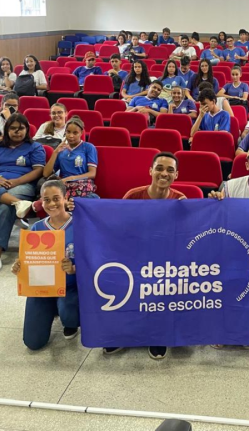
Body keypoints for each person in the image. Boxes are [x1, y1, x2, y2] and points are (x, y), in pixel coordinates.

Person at [103, 152, 186, 359]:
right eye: (159, 168)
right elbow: (118, 230)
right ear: (150, 171)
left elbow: (186, 239)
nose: (163, 173)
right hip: (135, 257)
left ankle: (158, 334)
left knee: (165, 284)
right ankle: (123, 333)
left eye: (169, 170)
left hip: (165, 262)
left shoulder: (181, 201)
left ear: (176, 175)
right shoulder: (133, 196)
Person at [0, 114, 46, 275]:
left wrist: (17, 181)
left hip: (23, 185)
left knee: (5, 206)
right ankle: (18, 204)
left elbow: (38, 170)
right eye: (13, 128)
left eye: (21, 128)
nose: (17, 132)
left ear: (27, 130)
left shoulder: (35, 147)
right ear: (6, 130)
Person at [11, 180, 79, 350]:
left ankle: (66, 314)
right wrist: (20, 268)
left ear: (65, 198)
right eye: (46, 200)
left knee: (70, 317)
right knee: (33, 343)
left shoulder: (80, 225)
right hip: (43, 289)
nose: (51, 204)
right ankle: (52, 308)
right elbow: (29, 263)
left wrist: (73, 269)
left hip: (71, 286)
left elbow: (93, 262)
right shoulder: (36, 228)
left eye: (56, 198)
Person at [42, 117, 98, 195]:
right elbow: (46, 174)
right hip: (64, 186)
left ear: (81, 132)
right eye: (68, 132)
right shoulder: (61, 149)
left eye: (75, 133)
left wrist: (71, 178)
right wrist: (55, 152)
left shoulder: (88, 147)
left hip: (82, 185)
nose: (71, 136)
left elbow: (92, 174)